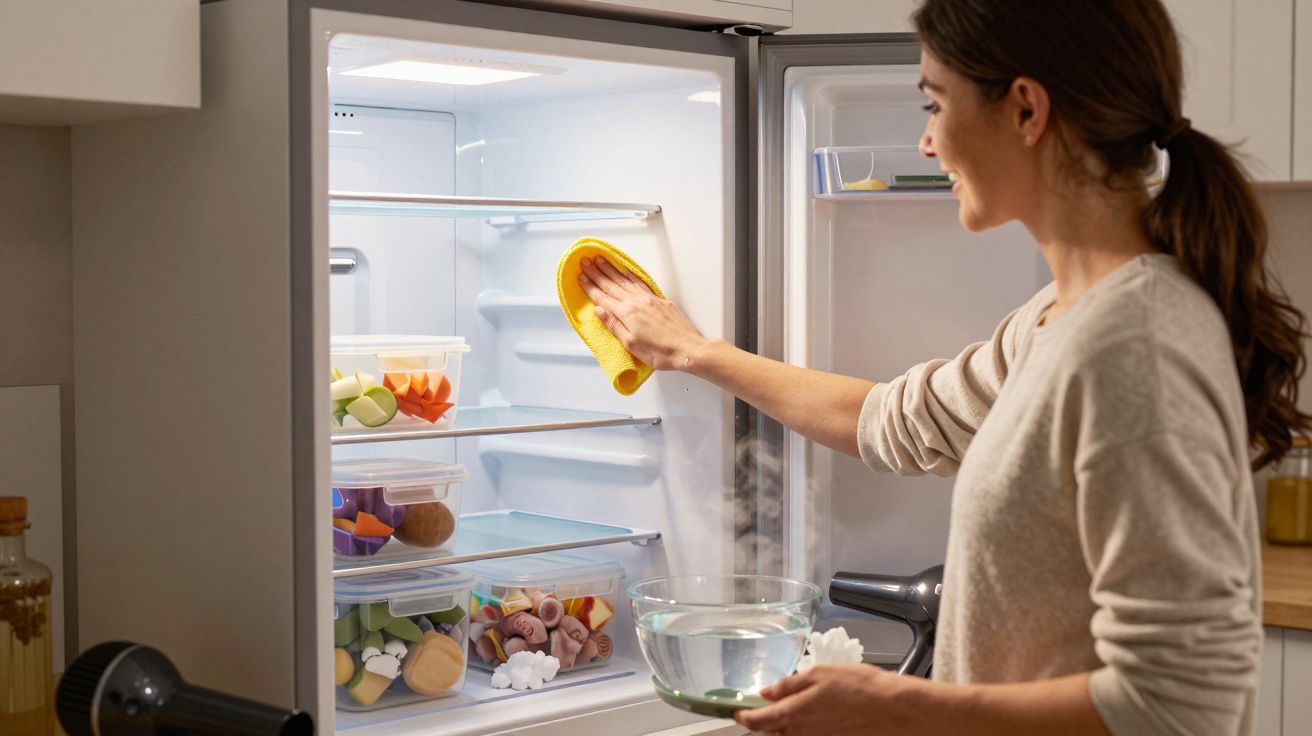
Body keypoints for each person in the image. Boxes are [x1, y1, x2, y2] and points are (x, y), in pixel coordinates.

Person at [577, 0, 1311, 734]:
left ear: (1026, 109)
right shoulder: (1056, 321)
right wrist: (692, 352)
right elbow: (894, 421)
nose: (927, 142)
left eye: (935, 104)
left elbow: (1178, 702)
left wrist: (898, 705)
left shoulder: (1134, 344)